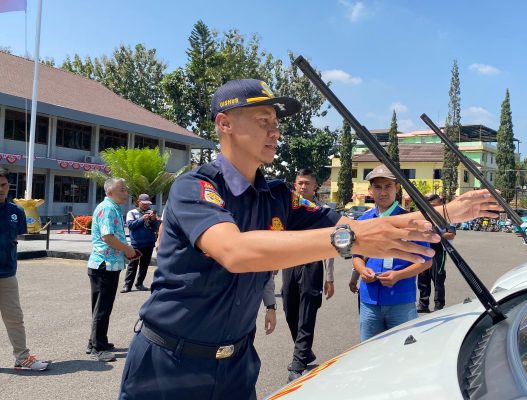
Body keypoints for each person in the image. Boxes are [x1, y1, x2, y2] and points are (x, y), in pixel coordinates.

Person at [118, 78, 500, 400]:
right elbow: (234, 251)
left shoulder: (279, 197)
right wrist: (351, 240)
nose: (275, 130)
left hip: (235, 364)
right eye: (263, 119)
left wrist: (449, 212)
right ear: (224, 123)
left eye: (276, 121)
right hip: (168, 364)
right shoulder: (195, 187)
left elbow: (360, 222)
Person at [352, 165, 433, 341]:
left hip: (401, 301)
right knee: (369, 352)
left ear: (397, 188)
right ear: (370, 191)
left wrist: (399, 275)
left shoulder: (411, 221)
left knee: (403, 355)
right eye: (378, 187)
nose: (383, 192)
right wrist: (362, 271)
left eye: (388, 186)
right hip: (370, 300)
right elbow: (356, 256)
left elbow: (426, 261)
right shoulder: (362, 221)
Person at [283, 168, 336, 382]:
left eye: (307, 183)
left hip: (313, 264)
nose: (303, 187)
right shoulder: (287, 210)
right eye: (299, 183)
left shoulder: (322, 212)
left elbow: (333, 245)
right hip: (289, 263)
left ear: (315, 187)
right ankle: (305, 351)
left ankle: (298, 362)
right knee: (289, 310)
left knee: (306, 312)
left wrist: (329, 277)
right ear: (295, 185)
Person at [0, 167, 50, 371]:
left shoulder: (16, 211)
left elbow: (16, 237)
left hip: (7, 274)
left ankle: (22, 357)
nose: (0, 189)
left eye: (3, 185)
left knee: (15, 319)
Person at [87, 177, 137, 362]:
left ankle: (96, 341)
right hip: (104, 265)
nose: (125, 193)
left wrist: (124, 251)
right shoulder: (108, 208)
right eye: (121, 190)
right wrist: (127, 249)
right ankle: (97, 347)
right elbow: (108, 237)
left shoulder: (111, 207)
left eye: (125, 189)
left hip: (106, 264)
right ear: (109, 192)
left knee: (101, 307)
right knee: (102, 308)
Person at [417, 194, 455, 313]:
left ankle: (439, 305)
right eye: (429, 205)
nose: (431, 208)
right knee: (423, 278)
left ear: (440, 203)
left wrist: (435, 235)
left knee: (438, 278)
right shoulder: (423, 217)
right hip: (424, 248)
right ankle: (423, 304)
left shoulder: (446, 217)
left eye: (434, 205)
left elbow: (451, 234)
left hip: (439, 249)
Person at [122, 194, 160, 293]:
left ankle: (139, 283)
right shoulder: (132, 213)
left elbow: (156, 227)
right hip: (136, 243)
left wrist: (153, 220)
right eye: (144, 203)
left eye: (148, 204)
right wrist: (142, 219)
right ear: (139, 202)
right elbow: (130, 226)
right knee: (132, 265)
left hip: (149, 242)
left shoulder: (151, 212)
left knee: (144, 265)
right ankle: (127, 285)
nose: (146, 206)